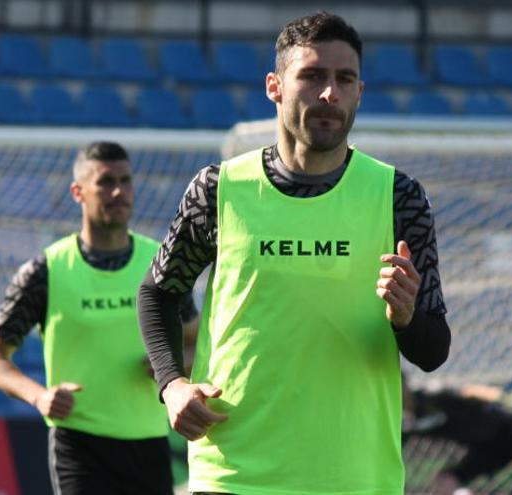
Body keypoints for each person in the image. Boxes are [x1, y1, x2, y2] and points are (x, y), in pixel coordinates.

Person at [137, 11, 452, 495]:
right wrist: (172, 384)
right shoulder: (218, 189)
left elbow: (432, 352)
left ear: (359, 93)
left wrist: (407, 315)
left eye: (344, 79)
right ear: (275, 86)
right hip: (233, 471)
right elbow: (158, 292)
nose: (329, 93)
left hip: (353, 476)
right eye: (312, 76)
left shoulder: (398, 196)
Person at [0, 141, 198, 495]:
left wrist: (176, 364)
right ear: (78, 192)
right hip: (78, 445)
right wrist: (39, 397)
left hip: (151, 442)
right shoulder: (46, 270)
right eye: (106, 181)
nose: (118, 191)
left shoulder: (158, 262)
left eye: (126, 181)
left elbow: (196, 338)